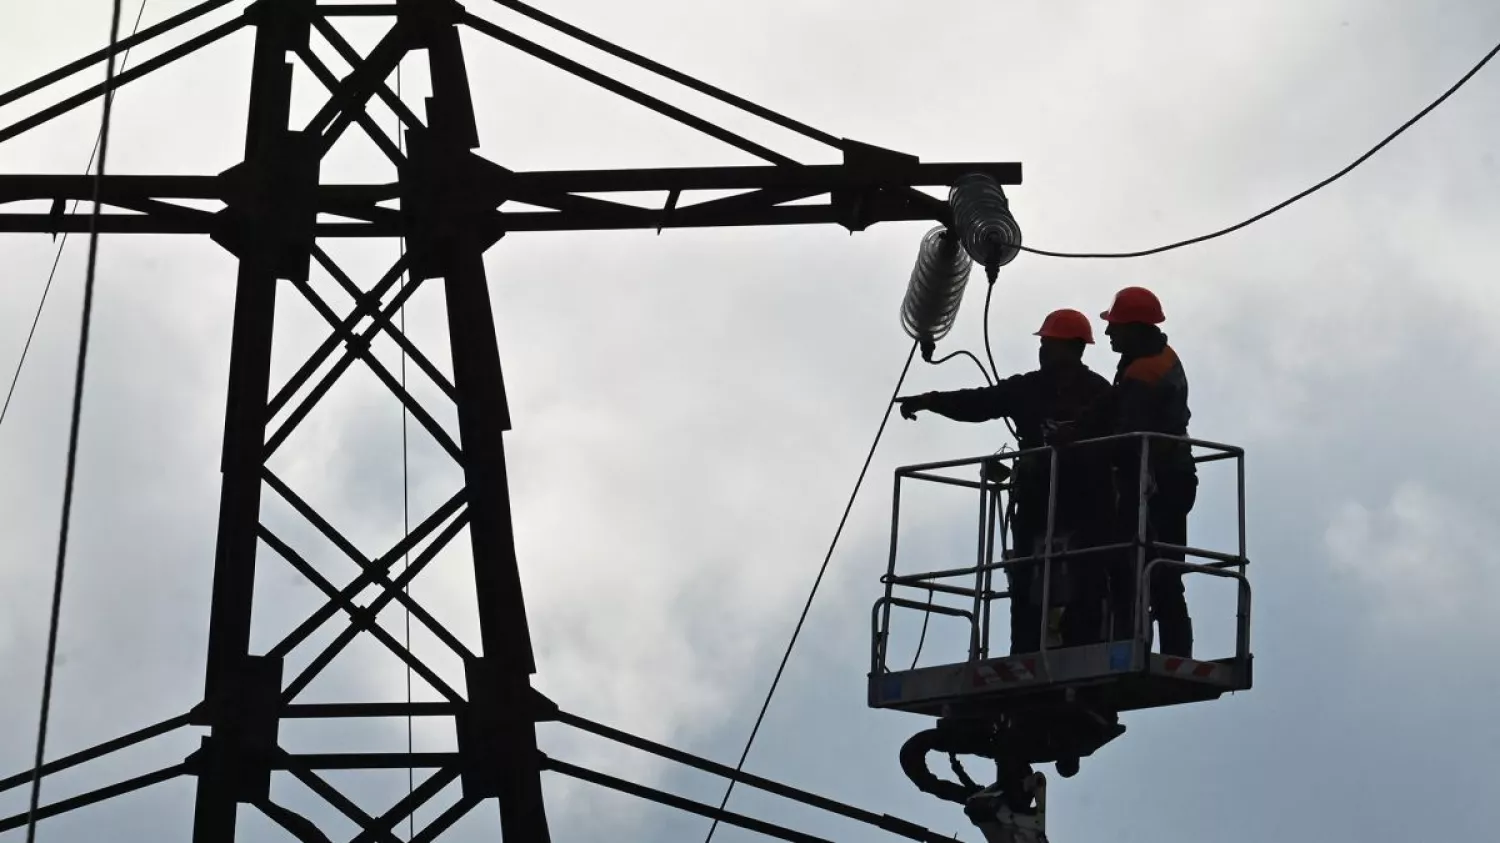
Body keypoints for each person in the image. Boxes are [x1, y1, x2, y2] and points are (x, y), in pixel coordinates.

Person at [896, 309, 1113, 653]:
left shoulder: (1099, 394)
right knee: (1027, 575)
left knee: (1086, 572)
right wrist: (931, 401)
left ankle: (1082, 643)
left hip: (1083, 498)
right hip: (1039, 497)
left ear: (1072, 347)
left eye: (1047, 343)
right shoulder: (1031, 388)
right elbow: (979, 403)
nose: (1042, 350)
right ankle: (1026, 650)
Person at [1088, 286, 1198, 657]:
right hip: (1173, 475)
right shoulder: (1158, 358)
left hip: (1157, 481)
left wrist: (1086, 452)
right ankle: (1174, 652)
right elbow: (1113, 405)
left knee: (1135, 567)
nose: (1107, 333)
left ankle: (1127, 646)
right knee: (1163, 569)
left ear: (1134, 328)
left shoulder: (1143, 372)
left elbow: (1126, 430)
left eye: (1114, 326)